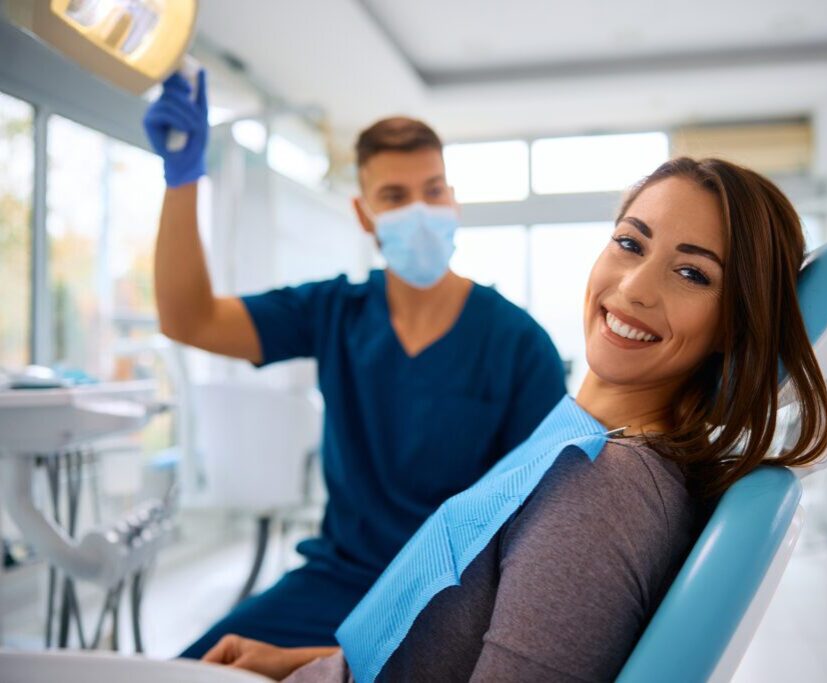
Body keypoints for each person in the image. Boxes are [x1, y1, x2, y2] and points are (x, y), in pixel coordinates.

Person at [200, 157, 827, 682]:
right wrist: (315, 666)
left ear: (735, 325)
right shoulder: (582, 440)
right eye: (629, 243)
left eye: (693, 273)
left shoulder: (602, 487)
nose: (636, 288)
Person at [141, 72, 567, 656]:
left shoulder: (519, 343)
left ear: (453, 200)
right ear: (364, 215)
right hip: (336, 584)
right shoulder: (334, 312)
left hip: (451, 597)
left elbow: (539, 533)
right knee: (194, 670)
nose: (420, 210)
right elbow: (190, 319)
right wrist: (183, 178)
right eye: (394, 196)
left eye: (434, 190)